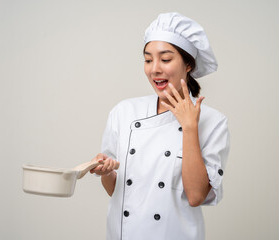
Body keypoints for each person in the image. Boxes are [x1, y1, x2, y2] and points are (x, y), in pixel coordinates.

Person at [90, 12, 230, 240]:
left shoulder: (212, 121)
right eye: (147, 59)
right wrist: (106, 172)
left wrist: (189, 127)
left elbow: (196, 196)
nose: (154, 69)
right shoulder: (123, 112)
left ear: (188, 65)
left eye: (165, 59)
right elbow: (116, 191)